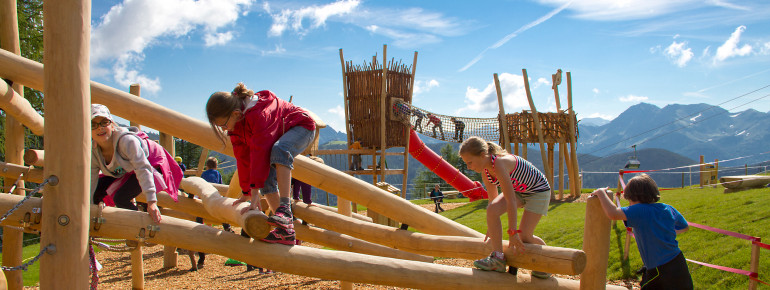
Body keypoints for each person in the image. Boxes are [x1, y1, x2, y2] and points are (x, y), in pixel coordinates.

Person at [206, 83, 315, 245]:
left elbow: (259, 153)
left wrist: (255, 192)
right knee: (265, 179)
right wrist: (246, 192)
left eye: (223, 125)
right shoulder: (236, 126)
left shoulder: (260, 113)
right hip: (279, 135)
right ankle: (286, 230)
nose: (223, 129)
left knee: (280, 150)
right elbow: (243, 159)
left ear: (236, 113)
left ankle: (284, 210)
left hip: (302, 126)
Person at [459, 136, 551, 278]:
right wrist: (492, 225)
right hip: (520, 191)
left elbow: (510, 201)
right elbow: (493, 200)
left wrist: (513, 232)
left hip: (538, 191)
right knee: (492, 210)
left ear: (483, 155)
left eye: (470, 162)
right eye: (466, 163)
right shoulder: (486, 171)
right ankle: (498, 258)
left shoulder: (499, 164)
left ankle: (547, 262)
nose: (468, 167)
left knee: (524, 235)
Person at [590, 174, 693, 289]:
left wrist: (601, 193)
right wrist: (662, 233)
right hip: (678, 262)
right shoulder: (667, 208)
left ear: (633, 197)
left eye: (629, 200)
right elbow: (684, 227)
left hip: (660, 268)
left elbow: (613, 213)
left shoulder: (640, 210)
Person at [90, 104, 183, 224]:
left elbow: (143, 168)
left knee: (121, 198)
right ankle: (94, 225)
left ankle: (142, 225)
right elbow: (92, 179)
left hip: (150, 161)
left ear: (112, 125)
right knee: (96, 192)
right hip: (125, 167)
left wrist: (152, 202)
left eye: (104, 122)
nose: (99, 128)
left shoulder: (127, 142)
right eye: (93, 125)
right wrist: (88, 207)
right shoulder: (93, 151)